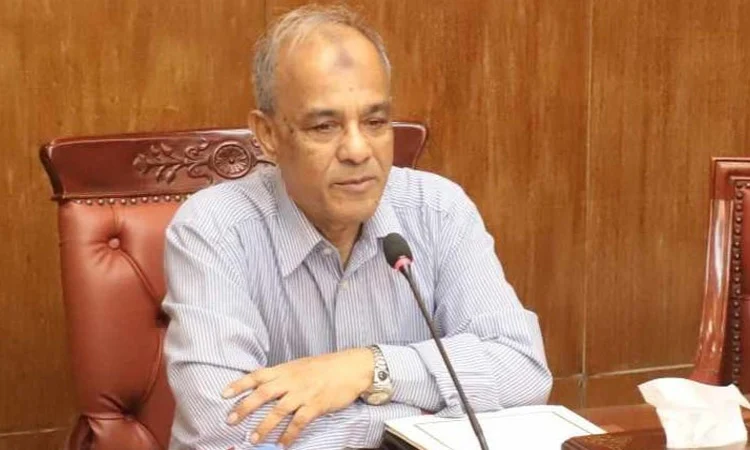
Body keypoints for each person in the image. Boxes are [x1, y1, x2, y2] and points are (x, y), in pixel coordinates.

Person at [162, 4, 552, 450]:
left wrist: (369, 367)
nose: (357, 150)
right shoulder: (215, 229)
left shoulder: (438, 210)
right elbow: (227, 428)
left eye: (375, 122)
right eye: (324, 126)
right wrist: (416, 423)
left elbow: (524, 371)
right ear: (268, 135)